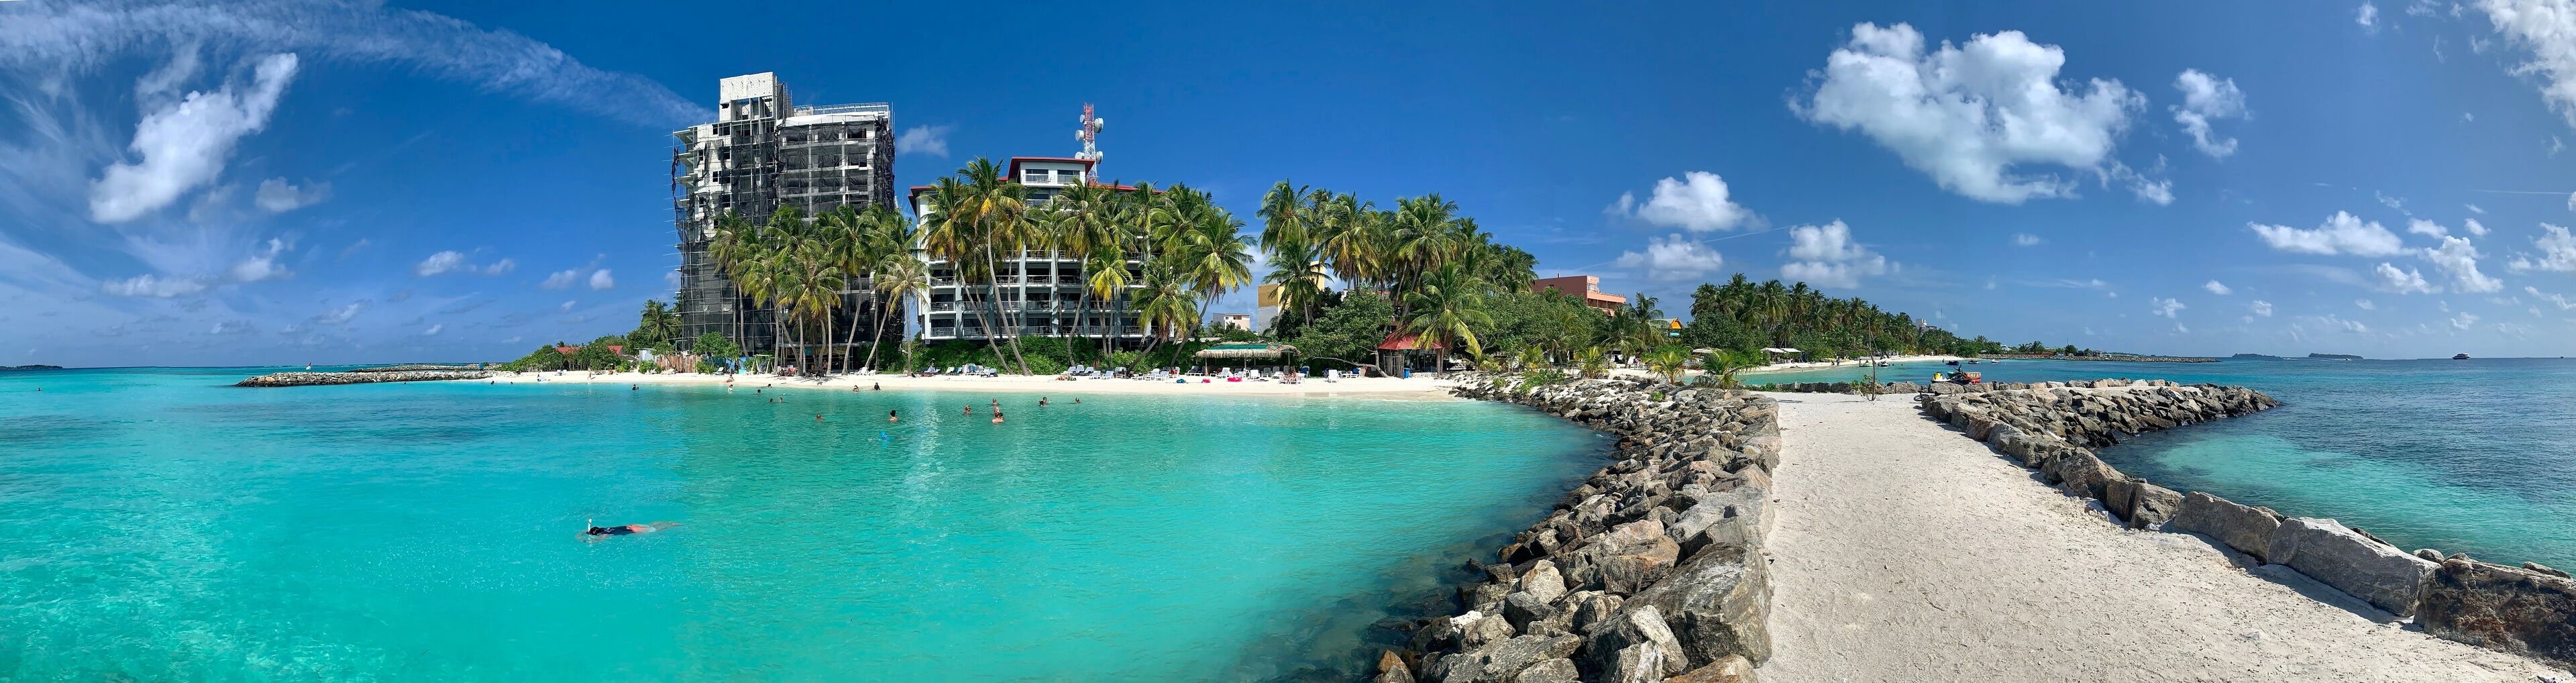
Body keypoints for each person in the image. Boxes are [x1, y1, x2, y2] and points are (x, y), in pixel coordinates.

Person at [582, 519, 678, 540]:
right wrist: (586, 532)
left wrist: (586, 539)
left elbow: (599, 541)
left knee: (654, 530)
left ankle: (671, 525)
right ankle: (667, 521)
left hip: (634, 531)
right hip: (630, 526)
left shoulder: (605, 535)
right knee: (649, 526)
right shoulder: (604, 529)